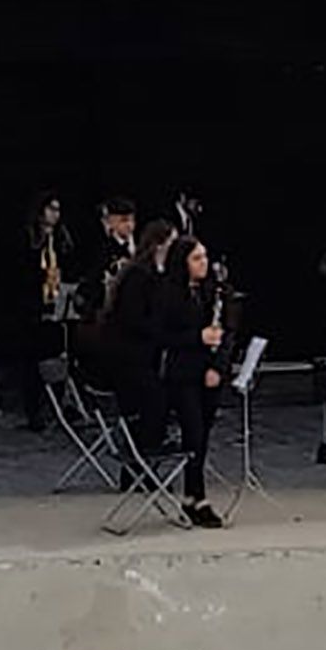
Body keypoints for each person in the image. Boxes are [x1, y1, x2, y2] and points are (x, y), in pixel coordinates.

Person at [154, 236, 228, 528]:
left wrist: (217, 367)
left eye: (205, 257)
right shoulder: (167, 294)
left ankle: (192, 495)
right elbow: (160, 337)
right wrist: (197, 338)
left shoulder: (211, 291)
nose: (204, 263)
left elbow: (222, 331)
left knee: (203, 436)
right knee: (193, 434)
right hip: (181, 373)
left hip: (207, 373)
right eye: (197, 258)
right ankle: (197, 497)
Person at [105, 219, 178, 457]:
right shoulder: (138, 275)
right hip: (128, 357)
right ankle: (143, 455)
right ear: (159, 245)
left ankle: (147, 458)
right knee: (154, 399)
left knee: (164, 395)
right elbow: (133, 318)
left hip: (144, 354)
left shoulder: (158, 275)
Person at [21, 191, 77, 431]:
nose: (55, 214)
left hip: (57, 301)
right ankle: (35, 410)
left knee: (60, 353)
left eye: (58, 210)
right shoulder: (29, 237)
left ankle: (60, 404)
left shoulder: (61, 237)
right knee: (33, 359)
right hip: (33, 303)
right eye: (51, 209)